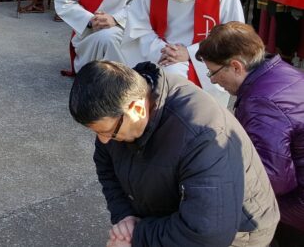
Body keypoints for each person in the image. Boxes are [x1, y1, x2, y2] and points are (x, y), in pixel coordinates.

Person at [69, 60, 279, 247]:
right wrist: (125, 216)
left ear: (137, 109)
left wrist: (138, 236)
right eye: (97, 133)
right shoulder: (119, 103)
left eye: (109, 132)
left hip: (236, 232)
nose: (103, 140)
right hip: (178, 212)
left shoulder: (202, 136)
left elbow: (207, 234)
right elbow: (106, 168)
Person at [198, 22, 304, 246]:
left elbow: (270, 180)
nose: (213, 80)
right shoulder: (280, 71)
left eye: (213, 72)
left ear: (236, 66)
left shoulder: (260, 102)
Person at [121, 0, 244, 106]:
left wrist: (191, 53)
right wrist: (163, 49)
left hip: (203, 59)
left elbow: (233, 37)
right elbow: (137, 28)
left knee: (170, 76)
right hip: (158, 51)